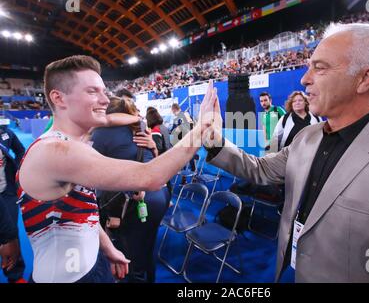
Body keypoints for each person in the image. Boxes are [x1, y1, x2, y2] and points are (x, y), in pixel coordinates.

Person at [203, 23, 369, 282]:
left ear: (365, 78)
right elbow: (260, 169)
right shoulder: (307, 137)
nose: (304, 78)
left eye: (319, 67)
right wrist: (210, 137)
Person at [16, 55, 216, 283]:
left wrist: (108, 248)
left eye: (104, 91)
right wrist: (202, 127)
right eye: (92, 92)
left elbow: (83, 209)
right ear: (58, 98)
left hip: (91, 265)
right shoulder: (57, 151)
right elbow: (150, 177)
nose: (105, 100)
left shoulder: (68, 142)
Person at [91, 97, 170, 283]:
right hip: (158, 195)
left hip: (131, 200)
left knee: (130, 256)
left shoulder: (100, 132)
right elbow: (152, 159)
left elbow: (99, 174)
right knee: (146, 247)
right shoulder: (140, 125)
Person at [0, 125, 26, 282]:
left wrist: (18, 170)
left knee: (11, 232)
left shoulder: (5, 133)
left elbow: (20, 151)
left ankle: (15, 275)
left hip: (6, 193)